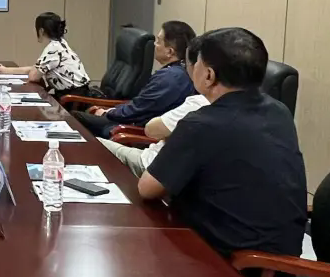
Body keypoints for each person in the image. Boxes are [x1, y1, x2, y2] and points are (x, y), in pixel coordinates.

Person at [137, 27, 307, 261]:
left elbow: (147, 188)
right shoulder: (279, 112)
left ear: (209, 75)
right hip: (278, 264)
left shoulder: (201, 123)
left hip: (232, 266)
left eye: (195, 62)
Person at [98, 40, 209, 176]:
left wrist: (109, 112)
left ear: (208, 73)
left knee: (92, 144)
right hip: (161, 163)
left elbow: (151, 129)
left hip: (151, 166)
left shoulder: (198, 102)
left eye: (186, 63)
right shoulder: (230, 108)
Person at [74, 20, 196, 137]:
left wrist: (107, 112)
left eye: (158, 41)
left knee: (75, 118)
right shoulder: (179, 72)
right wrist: (111, 110)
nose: (154, 45)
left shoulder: (170, 78)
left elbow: (138, 109)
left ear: (169, 52)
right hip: (135, 121)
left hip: (133, 130)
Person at [0, 12, 90, 98]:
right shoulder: (60, 43)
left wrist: (6, 70)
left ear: (41, 31)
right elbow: (37, 69)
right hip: (76, 95)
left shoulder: (53, 48)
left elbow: (33, 76)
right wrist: (5, 70)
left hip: (72, 99)